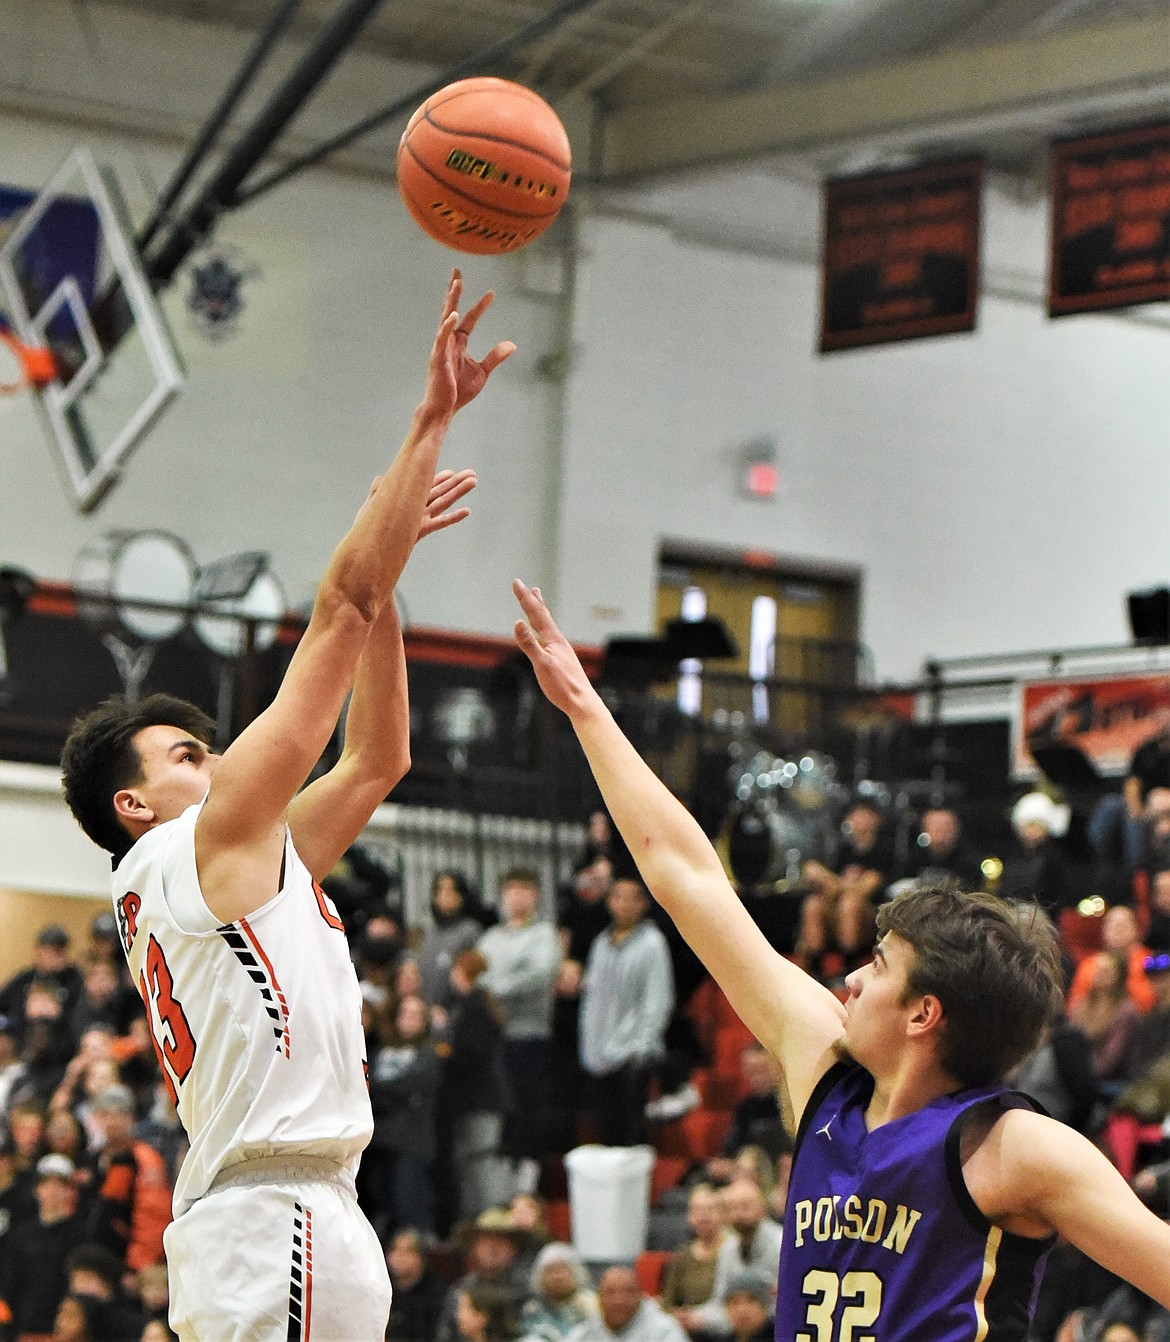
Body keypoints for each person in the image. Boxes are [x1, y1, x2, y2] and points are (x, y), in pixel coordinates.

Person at [510, 579, 1170, 1335]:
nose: (850, 978)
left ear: (926, 1012)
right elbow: (689, 879)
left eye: (880, 965)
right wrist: (587, 711)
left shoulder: (1013, 1146)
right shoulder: (826, 1071)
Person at [57, 272, 513, 1342]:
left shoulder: (227, 866)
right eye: (185, 753)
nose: (212, 761)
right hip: (276, 1219)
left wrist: (388, 576)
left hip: (286, 1215)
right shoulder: (205, 842)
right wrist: (430, 420)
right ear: (133, 803)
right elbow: (337, 608)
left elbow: (377, 756)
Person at [477, 870, 562, 1191]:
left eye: (524, 890)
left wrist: (496, 988)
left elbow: (541, 974)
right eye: (511, 889)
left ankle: (530, 1175)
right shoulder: (491, 938)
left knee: (528, 1104)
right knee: (502, 1107)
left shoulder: (543, 935)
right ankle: (504, 1175)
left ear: (536, 895)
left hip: (529, 1034)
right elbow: (475, 973)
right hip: (494, 1037)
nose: (517, 896)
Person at [578, 877, 674, 1147]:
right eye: (616, 897)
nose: (623, 904)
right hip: (598, 1055)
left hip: (632, 1057)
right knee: (606, 1136)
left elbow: (658, 999)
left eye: (631, 897)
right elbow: (592, 998)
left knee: (632, 1137)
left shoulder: (653, 943)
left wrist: (641, 1047)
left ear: (643, 904)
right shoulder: (600, 944)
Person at [659, 1184, 728, 1331]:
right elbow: (668, 1303)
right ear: (689, 1217)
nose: (703, 1216)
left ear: (723, 1213)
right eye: (697, 1210)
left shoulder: (733, 1250)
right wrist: (678, 1315)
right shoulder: (682, 1257)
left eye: (710, 1209)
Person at [563, 1266, 687, 1342]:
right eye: (610, 1292)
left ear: (641, 1296)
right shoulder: (586, 1331)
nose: (619, 1300)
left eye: (628, 1292)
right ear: (599, 1298)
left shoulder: (664, 1330)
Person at [522, 1242, 597, 1342]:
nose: (558, 1277)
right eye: (551, 1271)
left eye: (563, 1269)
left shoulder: (591, 1305)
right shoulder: (532, 1310)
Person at [385, 1228, 448, 1342]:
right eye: (394, 1250)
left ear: (420, 1257)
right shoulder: (385, 1288)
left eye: (406, 1252)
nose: (399, 1257)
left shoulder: (435, 1292)